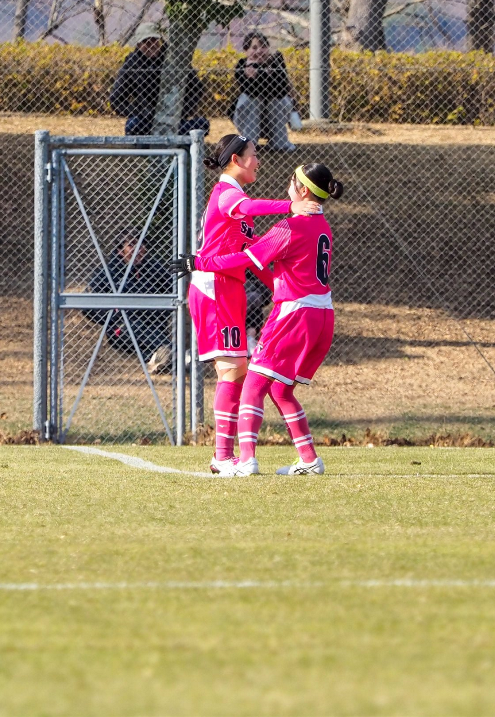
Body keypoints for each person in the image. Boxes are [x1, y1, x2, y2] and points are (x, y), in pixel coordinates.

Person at [202, 162, 343, 477]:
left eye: (293, 179)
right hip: (323, 312)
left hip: (294, 313)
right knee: (280, 390)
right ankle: (309, 459)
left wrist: (202, 261)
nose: (288, 182)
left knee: (253, 384)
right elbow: (271, 261)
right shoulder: (322, 226)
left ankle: (247, 460)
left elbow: (248, 260)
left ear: (303, 190)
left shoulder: (289, 227)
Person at [83, 233, 173, 374]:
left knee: (150, 335)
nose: (137, 249)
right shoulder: (109, 271)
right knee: (131, 326)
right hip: (122, 329)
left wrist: (157, 312)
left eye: (141, 245)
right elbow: (87, 304)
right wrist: (113, 316)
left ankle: (157, 360)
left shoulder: (155, 268)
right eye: (131, 245)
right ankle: (170, 351)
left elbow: (173, 295)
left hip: (153, 325)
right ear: (120, 250)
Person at [109, 25, 208, 136]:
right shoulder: (132, 63)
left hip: (174, 118)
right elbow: (116, 99)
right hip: (146, 120)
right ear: (138, 44)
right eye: (146, 42)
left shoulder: (174, 58)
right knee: (133, 125)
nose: (151, 45)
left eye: (154, 41)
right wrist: (140, 112)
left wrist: (182, 111)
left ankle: (176, 139)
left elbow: (197, 88)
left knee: (202, 125)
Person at [231, 32, 296, 151]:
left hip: (274, 112)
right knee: (253, 100)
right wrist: (266, 74)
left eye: (263, 47)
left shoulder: (276, 61)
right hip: (249, 117)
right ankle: (249, 143)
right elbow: (250, 91)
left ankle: (280, 142)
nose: (259, 51)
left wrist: (257, 74)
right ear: (246, 51)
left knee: (277, 101)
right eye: (254, 48)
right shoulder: (241, 65)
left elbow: (280, 90)